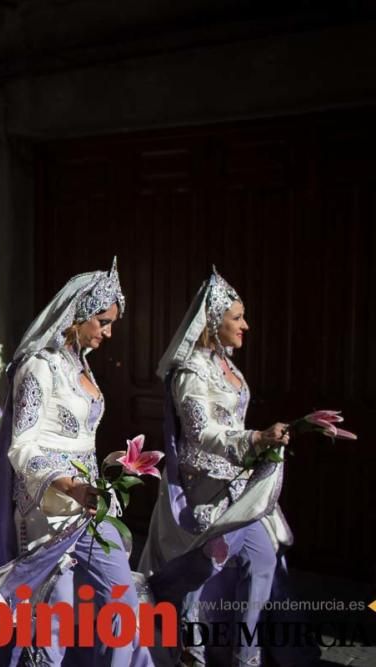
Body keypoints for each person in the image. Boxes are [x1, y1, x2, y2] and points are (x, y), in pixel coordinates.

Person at [0, 258, 152, 667]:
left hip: (90, 504)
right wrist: (69, 484)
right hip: (48, 508)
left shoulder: (81, 366)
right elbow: (24, 446)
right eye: (102, 322)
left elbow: (79, 438)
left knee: (122, 601)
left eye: (111, 323)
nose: (108, 332)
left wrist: (111, 463)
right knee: (54, 620)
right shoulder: (39, 367)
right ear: (78, 316)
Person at [140, 267, 305, 667]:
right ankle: (190, 652)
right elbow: (201, 432)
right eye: (237, 318)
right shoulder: (191, 371)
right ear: (214, 321)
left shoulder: (226, 365)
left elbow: (231, 425)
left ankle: (244, 655)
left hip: (240, 484)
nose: (246, 325)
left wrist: (259, 443)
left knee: (263, 560)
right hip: (204, 489)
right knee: (202, 571)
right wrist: (254, 439)